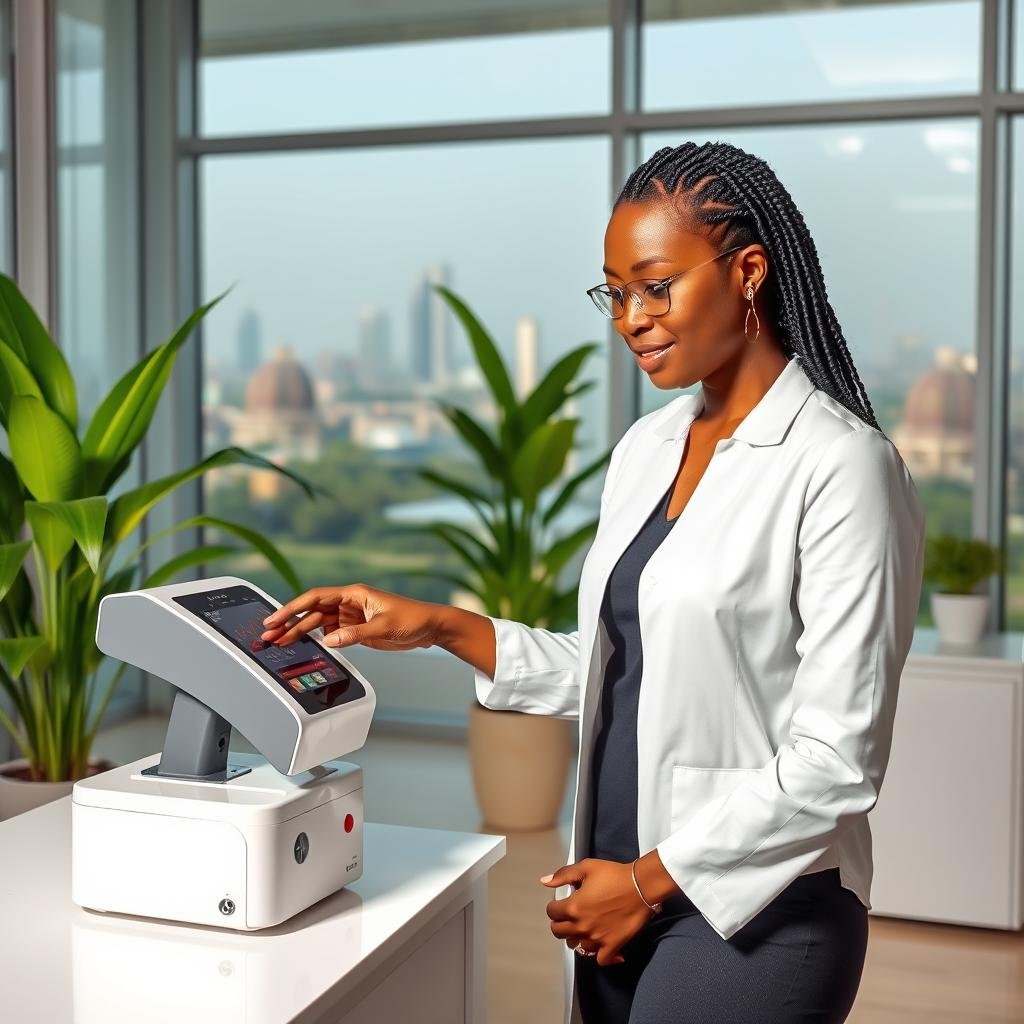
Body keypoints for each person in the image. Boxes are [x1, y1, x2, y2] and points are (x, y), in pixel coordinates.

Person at [260, 140, 926, 1024]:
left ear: (751, 272)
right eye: (615, 293)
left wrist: (648, 885)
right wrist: (436, 626)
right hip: (614, 886)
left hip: (763, 902)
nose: (630, 318)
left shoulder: (843, 467)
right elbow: (626, 665)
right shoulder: (647, 449)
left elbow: (836, 761)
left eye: (657, 286)